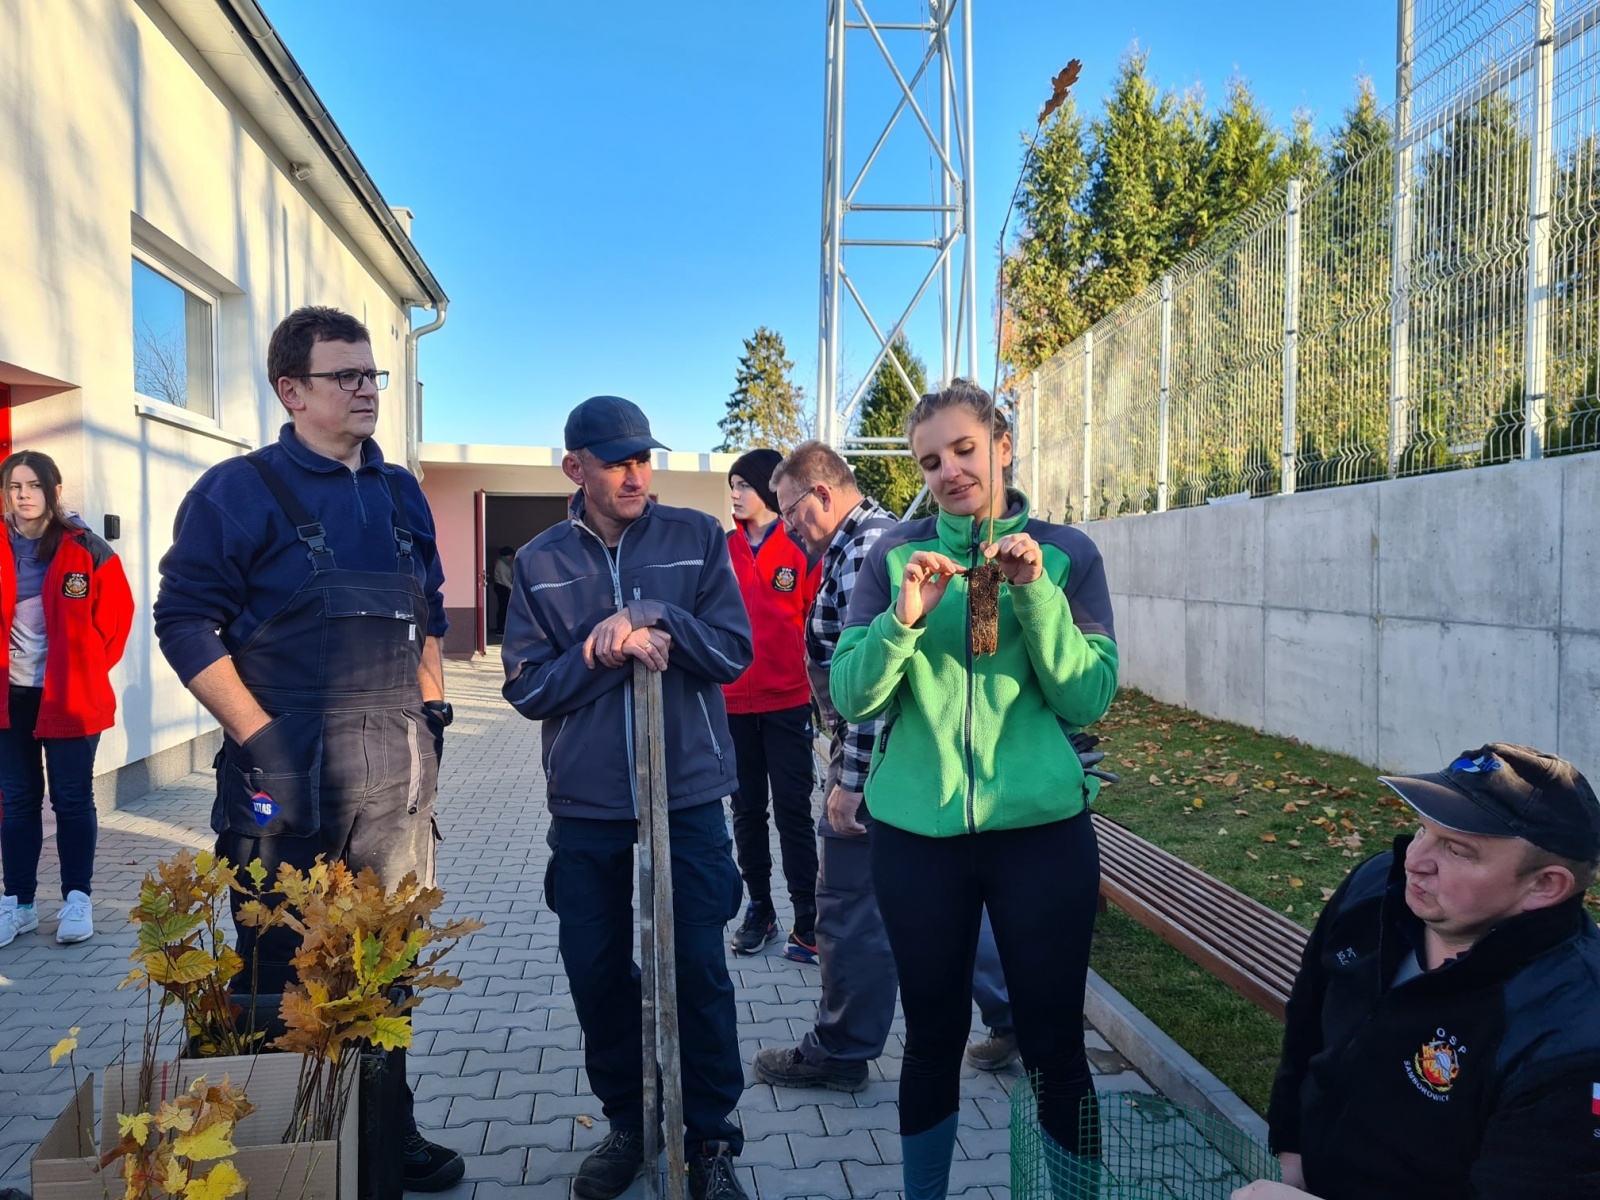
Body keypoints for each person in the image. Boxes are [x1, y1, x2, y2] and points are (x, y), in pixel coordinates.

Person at [153, 306, 462, 1192]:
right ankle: (281, 1152)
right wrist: (263, 742)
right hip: (281, 782)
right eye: (347, 376)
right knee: (275, 974)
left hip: (394, 778)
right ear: (292, 391)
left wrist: (433, 712)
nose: (367, 389)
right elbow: (182, 623)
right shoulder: (237, 490)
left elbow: (431, 612)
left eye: (373, 375)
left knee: (385, 967)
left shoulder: (399, 490)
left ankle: (384, 1135)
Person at [830, 381, 1118, 1199]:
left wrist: (1034, 594)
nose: (948, 470)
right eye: (929, 460)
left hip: (1041, 837)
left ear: (1002, 444)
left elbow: (1087, 696)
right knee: (930, 1039)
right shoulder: (895, 556)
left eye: (962, 449)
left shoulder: (1067, 553)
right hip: (917, 841)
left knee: (1054, 1043)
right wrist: (905, 619)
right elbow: (853, 696)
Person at [501, 395, 754, 1200]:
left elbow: (733, 654)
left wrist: (653, 613)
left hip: (687, 793)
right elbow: (527, 688)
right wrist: (599, 651)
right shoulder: (541, 560)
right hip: (588, 802)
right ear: (574, 467)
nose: (636, 473)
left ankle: (710, 1137)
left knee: (698, 967)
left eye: (644, 457)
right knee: (596, 966)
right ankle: (628, 1122)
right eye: (616, 461)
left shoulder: (696, 536)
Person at [752, 442, 1020, 1095]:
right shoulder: (881, 543)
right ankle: (1021, 1016)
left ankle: (842, 1050)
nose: (787, 528)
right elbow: (975, 648)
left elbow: (879, 679)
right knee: (962, 901)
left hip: (886, 767)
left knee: (847, 903)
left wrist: (850, 779)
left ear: (821, 493)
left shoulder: (872, 551)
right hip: (935, 771)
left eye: (789, 513)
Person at [1232, 743, 1600, 1200]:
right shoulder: (1375, 891)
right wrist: (1291, 1151)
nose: (1414, 861)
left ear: (1544, 885)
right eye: (1421, 828)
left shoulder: (1571, 1037)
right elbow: (1307, 1021)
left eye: (1457, 850)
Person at [0, 451, 133, 948]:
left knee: (72, 798)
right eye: (15, 486)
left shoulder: (86, 549)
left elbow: (117, 620)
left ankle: (78, 899)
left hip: (70, 699)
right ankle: (19, 904)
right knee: (16, 802)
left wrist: (83, 670)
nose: (24, 495)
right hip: (8, 699)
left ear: (53, 491)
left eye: (34, 485)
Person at [722, 448, 822, 962]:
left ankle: (809, 919)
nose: (735, 494)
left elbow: (814, 624)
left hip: (788, 704)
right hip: (733, 705)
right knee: (746, 812)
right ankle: (760, 908)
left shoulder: (801, 548)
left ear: (766, 487)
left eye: (743, 484)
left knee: (792, 813)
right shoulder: (720, 551)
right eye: (731, 485)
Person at [492, 546, 515, 635]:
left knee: (505, 608)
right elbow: (504, 579)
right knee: (503, 608)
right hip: (501, 587)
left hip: (505, 587)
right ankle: (499, 628)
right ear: (506, 555)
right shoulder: (500, 563)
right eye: (511, 555)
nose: (512, 557)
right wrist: (512, 587)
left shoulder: (508, 563)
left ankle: (503, 628)